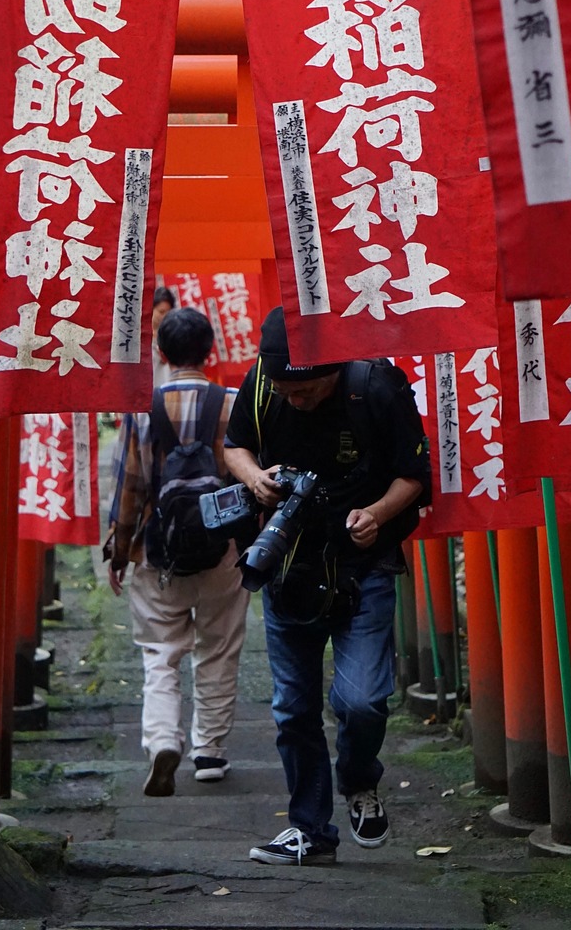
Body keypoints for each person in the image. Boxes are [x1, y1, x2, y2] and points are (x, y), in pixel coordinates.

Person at [223, 306, 429, 866]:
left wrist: (378, 514)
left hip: (364, 566)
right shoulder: (264, 383)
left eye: (307, 390)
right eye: (286, 391)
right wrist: (255, 478)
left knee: (361, 701)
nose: (296, 399)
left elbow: (415, 474)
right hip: (288, 565)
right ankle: (309, 831)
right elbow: (235, 445)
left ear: (334, 368)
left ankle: (360, 780)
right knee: (293, 707)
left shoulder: (375, 384)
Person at [103, 307, 250, 797]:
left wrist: (120, 550)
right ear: (210, 351)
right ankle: (209, 751)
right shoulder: (233, 403)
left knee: (161, 653)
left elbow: (130, 489)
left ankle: (164, 738)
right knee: (219, 648)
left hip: (157, 551)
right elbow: (253, 479)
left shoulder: (143, 409)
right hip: (222, 549)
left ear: (161, 353)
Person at [151, 285, 176, 387]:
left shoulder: (174, 335)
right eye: (161, 312)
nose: (165, 316)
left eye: (168, 312)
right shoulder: (140, 336)